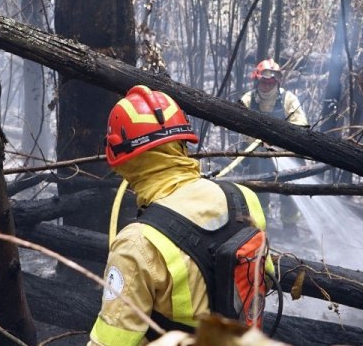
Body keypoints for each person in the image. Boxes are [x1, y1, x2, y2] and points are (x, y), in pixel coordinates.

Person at [89, 85, 270, 346]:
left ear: (121, 159)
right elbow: (263, 277)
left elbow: (111, 342)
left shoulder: (136, 243)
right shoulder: (244, 199)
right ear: (182, 142)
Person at [238, 59, 307, 234]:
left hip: (285, 154)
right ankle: (261, 228)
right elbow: (239, 126)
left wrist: (280, 141)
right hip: (258, 153)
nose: (267, 84)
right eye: (264, 80)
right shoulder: (247, 100)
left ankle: (290, 227)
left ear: (277, 81)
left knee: (289, 193)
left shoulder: (288, 99)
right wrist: (260, 142)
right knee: (259, 192)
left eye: (271, 81)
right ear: (257, 80)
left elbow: (301, 124)